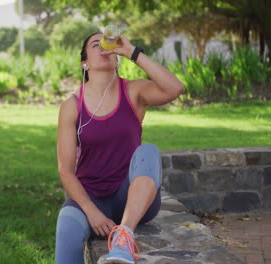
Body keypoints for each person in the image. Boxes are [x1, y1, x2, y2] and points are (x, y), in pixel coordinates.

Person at [55, 31, 185, 264]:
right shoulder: (71, 106)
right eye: (95, 45)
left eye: (107, 45)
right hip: (90, 197)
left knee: (149, 151)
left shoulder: (134, 91)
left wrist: (131, 52)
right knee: (67, 231)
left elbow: (174, 88)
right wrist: (91, 211)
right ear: (85, 62)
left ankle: (124, 237)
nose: (103, 48)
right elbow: (65, 170)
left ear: (116, 59)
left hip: (133, 197)